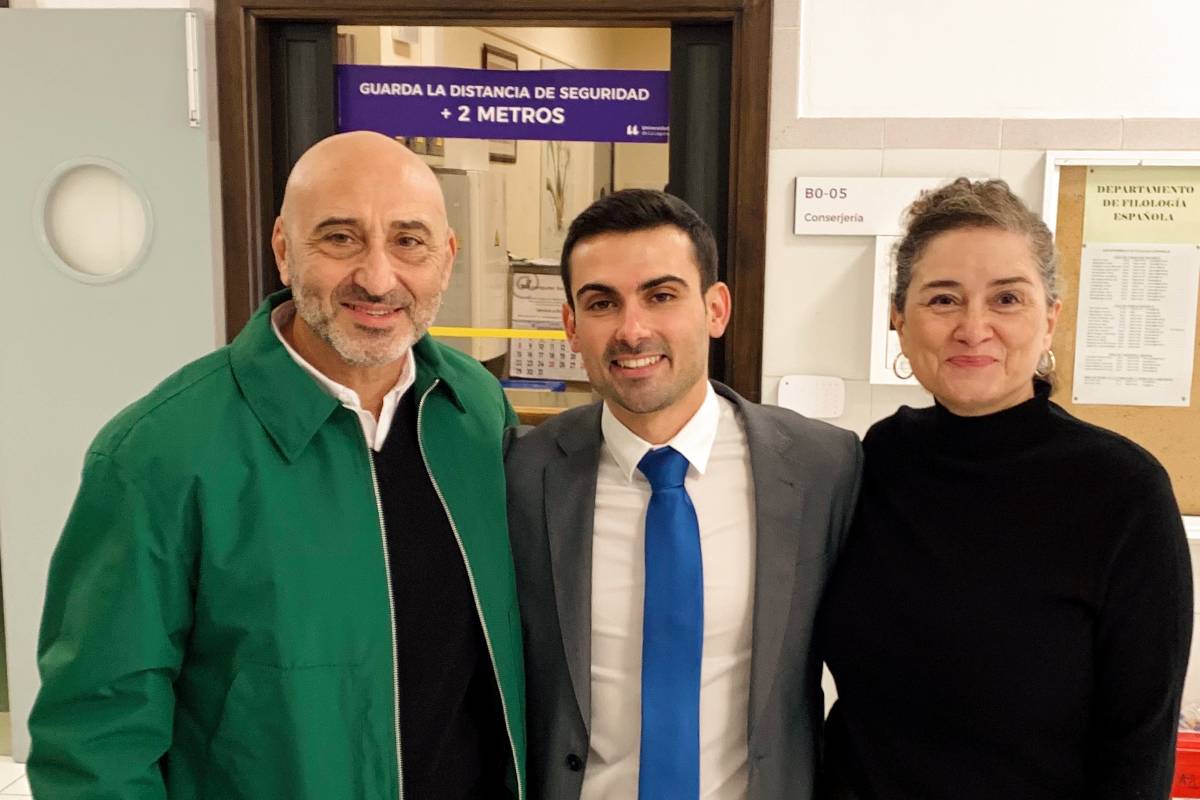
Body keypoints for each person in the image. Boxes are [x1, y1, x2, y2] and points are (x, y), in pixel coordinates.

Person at [27, 131, 525, 800]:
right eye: (341, 238)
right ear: (284, 248)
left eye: (409, 241)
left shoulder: (475, 411)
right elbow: (96, 738)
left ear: (448, 257)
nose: (378, 278)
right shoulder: (159, 454)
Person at [819, 178, 1193, 800]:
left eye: (1007, 299)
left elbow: (1138, 748)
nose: (973, 327)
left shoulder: (1123, 493)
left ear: (1049, 320)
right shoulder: (878, 458)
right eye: (943, 299)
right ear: (898, 320)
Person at [506, 189, 862, 800]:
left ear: (715, 308)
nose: (632, 329)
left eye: (661, 295)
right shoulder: (520, 471)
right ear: (570, 325)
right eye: (601, 303)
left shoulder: (822, 467)